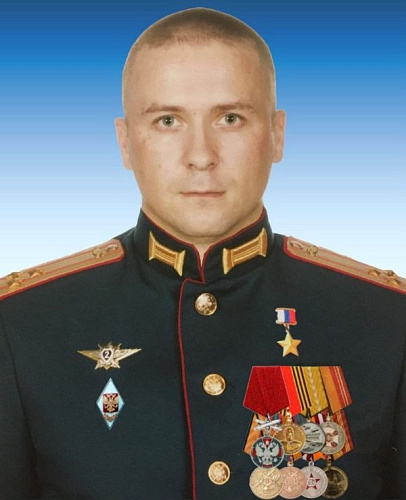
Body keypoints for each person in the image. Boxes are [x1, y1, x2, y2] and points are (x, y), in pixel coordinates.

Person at [0, 7, 405, 500]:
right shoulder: (22, 325)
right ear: (125, 143)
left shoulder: (387, 320)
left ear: (277, 134)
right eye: (168, 120)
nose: (200, 156)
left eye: (230, 118)